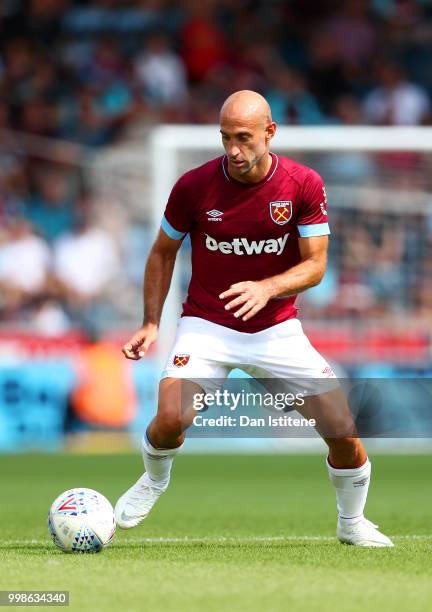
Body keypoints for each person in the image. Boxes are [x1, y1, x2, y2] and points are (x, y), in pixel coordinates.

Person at [115, 90, 393, 547]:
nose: (233, 150)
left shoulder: (302, 184)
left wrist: (267, 288)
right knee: (169, 418)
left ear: (270, 132)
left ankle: (352, 522)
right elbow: (163, 252)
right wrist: (150, 322)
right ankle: (154, 480)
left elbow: (316, 265)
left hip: (276, 329)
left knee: (343, 432)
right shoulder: (193, 186)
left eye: (243, 137)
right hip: (206, 325)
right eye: (225, 137)